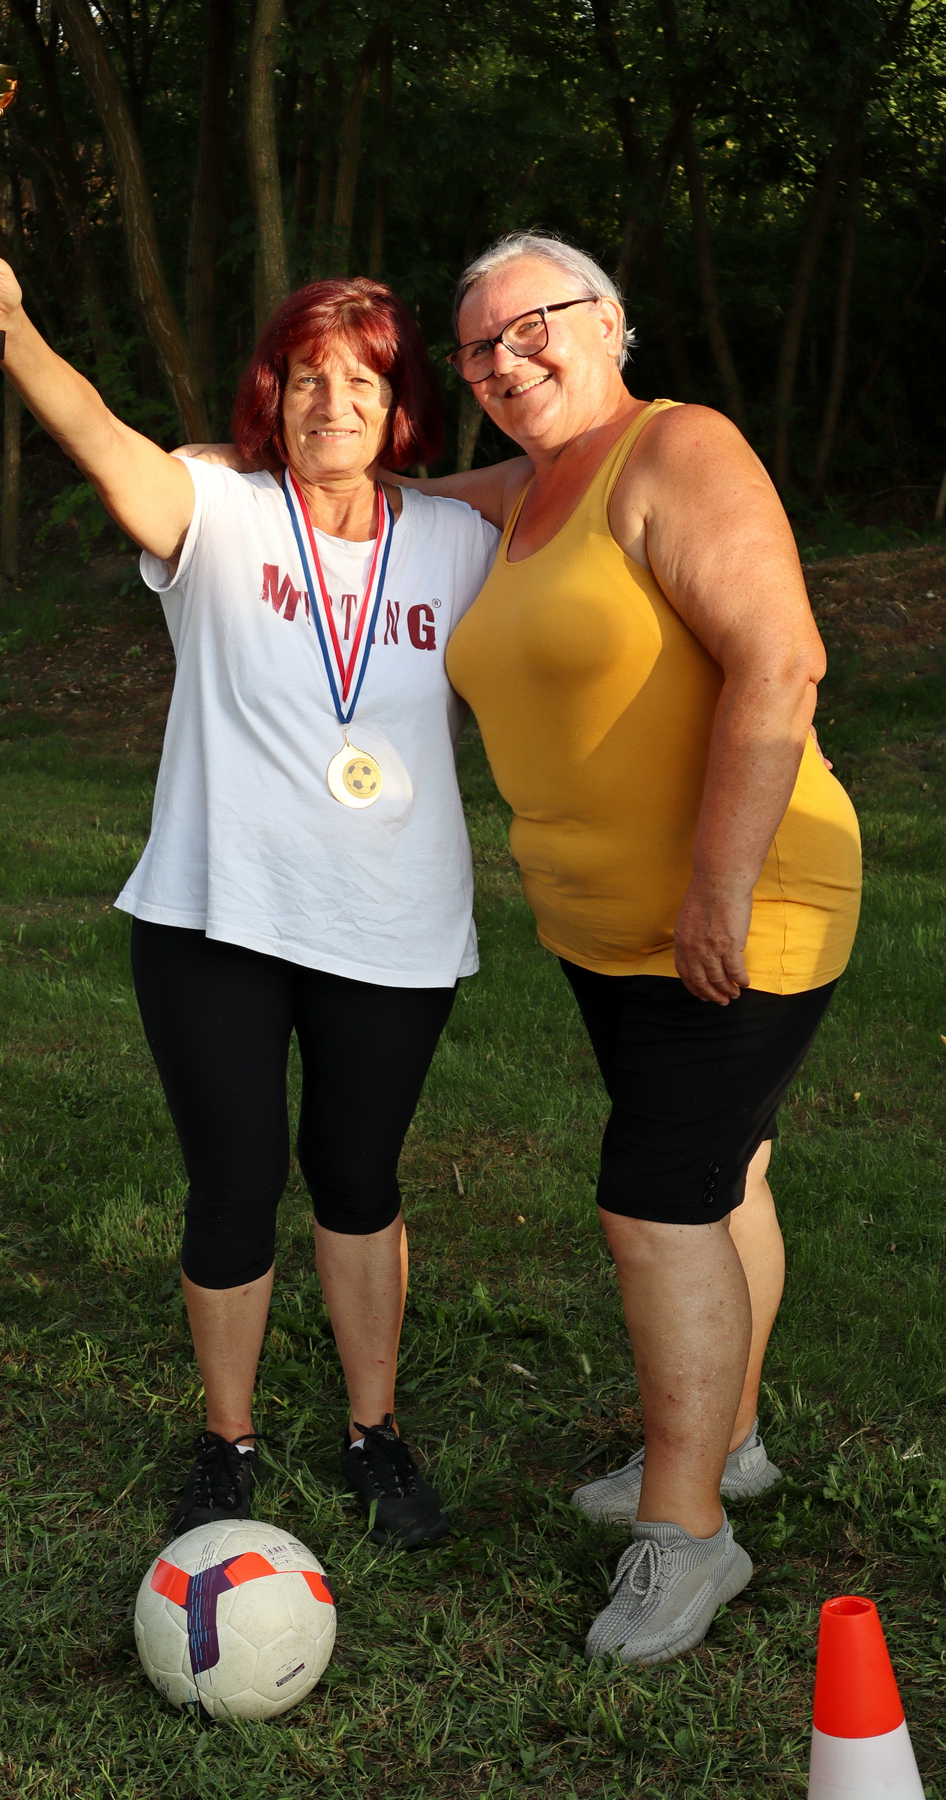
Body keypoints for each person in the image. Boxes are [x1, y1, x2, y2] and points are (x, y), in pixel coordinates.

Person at [0, 227, 499, 1551]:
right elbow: (100, 437)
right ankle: (227, 1441)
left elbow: (570, 470)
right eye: (306, 378)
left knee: (359, 1177)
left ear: (400, 401)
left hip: (394, 921)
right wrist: (13, 329)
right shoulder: (217, 508)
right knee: (234, 1183)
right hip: (215, 915)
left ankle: (374, 1432)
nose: (332, 403)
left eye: (362, 381)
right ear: (270, 393)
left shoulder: (458, 539)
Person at [396, 230, 861, 1663]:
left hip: (739, 912)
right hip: (606, 934)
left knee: (656, 1202)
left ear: (607, 321)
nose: (504, 360)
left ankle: (689, 1533)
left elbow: (780, 659)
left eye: (530, 326)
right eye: (478, 347)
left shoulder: (675, 450)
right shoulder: (524, 491)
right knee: (727, 1175)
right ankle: (730, 1444)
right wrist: (228, 457)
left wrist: (718, 888)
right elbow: (363, 498)